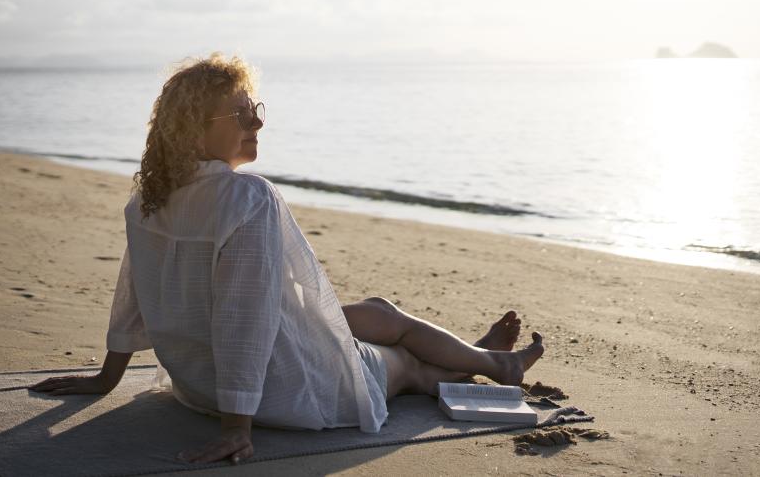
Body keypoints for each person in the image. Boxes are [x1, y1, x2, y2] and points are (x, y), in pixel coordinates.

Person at [30, 54, 544, 465]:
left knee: (378, 312)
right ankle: (490, 363)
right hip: (280, 395)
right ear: (192, 130)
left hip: (198, 384)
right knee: (404, 362)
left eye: (256, 108)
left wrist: (108, 376)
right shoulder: (245, 198)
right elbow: (245, 317)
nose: (256, 121)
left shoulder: (148, 199)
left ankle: (480, 357)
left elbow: (133, 292)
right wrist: (238, 427)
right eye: (240, 114)